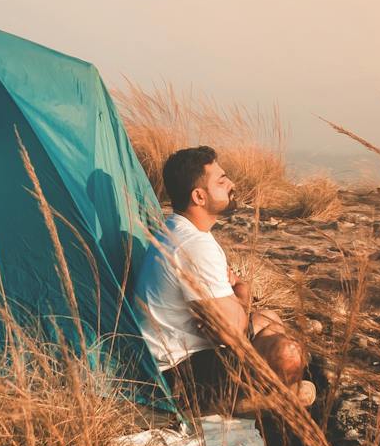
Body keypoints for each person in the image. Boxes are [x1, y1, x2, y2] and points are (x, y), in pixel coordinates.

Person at [133, 145, 317, 415]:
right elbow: (232, 333)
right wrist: (241, 293)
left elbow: (227, 325)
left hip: (183, 355)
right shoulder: (194, 244)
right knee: (288, 354)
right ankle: (238, 403)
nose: (231, 184)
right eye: (221, 180)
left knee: (269, 318)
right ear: (199, 196)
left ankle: (266, 391)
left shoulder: (181, 229)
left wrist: (233, 306)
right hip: (179, 375)